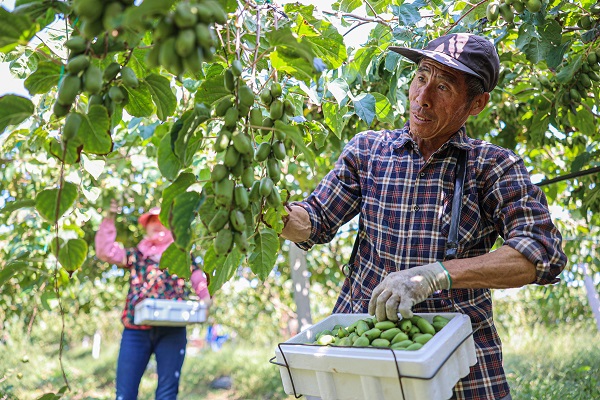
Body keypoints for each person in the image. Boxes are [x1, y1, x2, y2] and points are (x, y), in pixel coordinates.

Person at [281, 33, 567, 400]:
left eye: (444, 87)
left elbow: (541, 253)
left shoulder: (493, 167)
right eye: (420, 78)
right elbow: (315, 220)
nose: (422, 97)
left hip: (454, 356)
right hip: (365, 344)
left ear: (476, 103)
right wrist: (271, 213)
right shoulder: (368, 151)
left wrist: (435, 275)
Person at [95, 199, 211, 400]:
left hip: (172, 329)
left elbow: (197, 276)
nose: (156, 224)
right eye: (151, 220)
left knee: (167, 393)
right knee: (125, 393)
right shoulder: (137, 255)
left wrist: (206, 298)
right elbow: (106, 251)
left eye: (162, 220)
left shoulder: (181, 254)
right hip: (136, 331)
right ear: (145, 226)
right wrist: (109, 218)